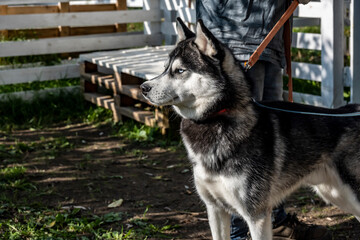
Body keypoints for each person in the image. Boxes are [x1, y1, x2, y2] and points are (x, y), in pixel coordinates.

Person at [195, 0, 332, 239]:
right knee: (242, 149)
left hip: (269, 38)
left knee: (270, 143)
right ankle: (240, 233)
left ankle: (276, 224)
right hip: (232, 37)